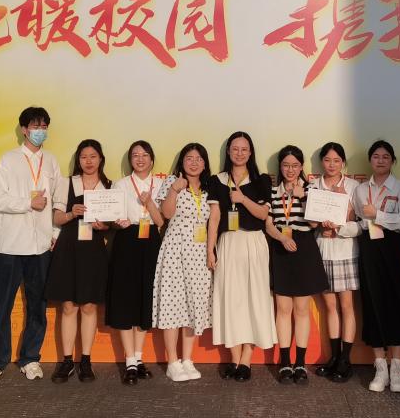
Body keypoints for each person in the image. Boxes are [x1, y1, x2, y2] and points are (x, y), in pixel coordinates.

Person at [0, 107, 62, 384]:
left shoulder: (51, 161)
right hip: (10, 245)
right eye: (35, 126)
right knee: (2, 305)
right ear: (24, 129)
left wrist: (55, 232)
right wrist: (29, 203)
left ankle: (30, 358)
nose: (40, 131)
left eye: (44, 126)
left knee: (37, 305)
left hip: (41, 246)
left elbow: (57, 199)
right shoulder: (8, 160)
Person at [351, 140, 400, 393]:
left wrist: (378, 215)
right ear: (370, 160)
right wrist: (344, 227)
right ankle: (380, 367)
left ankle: (396, 370)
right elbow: (360, 221)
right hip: (369, 250)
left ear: (393, 160)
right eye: (376, 156)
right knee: (373, 305)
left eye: (385, 157)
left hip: (394, 250)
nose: (380, 160)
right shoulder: (361, 190)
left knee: (396, 305)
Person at [208, 131, 276, 382]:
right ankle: (234, 358)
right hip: (228, 244)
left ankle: (247, 359)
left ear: (250, 152)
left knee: (253, 299)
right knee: (231, 299)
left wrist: (242, 199)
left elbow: (262, 214)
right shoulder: (217, 180)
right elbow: (214, 218)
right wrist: (210, 249)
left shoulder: (261, 180)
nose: (239, 153)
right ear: (228, 151)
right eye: (235, 149)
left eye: (244, 149)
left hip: (254, 243)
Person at [45, 139, 112, 383]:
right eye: (84, 157)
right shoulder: (67, 183)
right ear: (78, 160)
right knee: (69, 306)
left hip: (93, 251)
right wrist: (71, 213)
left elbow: (110, 224)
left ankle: (85, 360)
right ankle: (66, 361)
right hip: (68, 249)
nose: (89, 161)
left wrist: (103, 225)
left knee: (89, 307)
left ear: (101, 159)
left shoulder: (109, 187)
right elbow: (57, 218)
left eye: (93, 156)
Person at [151, 143, 218, 382]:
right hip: (175, 250)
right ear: (182, 161)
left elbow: (213, 220)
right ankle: (172, 362)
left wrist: (211, 252)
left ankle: (188, 359)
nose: (194, 162)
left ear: (205, 163)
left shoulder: (209, 187)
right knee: (172, 304)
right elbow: (166, 215)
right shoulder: (172, 181)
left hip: (199, 253)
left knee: (195, 304)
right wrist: (174, 190)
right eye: (189, 158)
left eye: (198, 158)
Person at [265, 145, 329, 384]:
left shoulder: (311, 189)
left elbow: (314, 224)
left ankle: (300, 363)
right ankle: (285, 363)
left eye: (294, 165)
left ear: (301, 167)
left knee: (301, 309)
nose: (290, 170)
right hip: (281, 247)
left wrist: (303, 197)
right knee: (283, 309)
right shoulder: (273, 191)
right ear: (280, 167)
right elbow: (268, 223)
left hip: (304, 249)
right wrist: (282, 238)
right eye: (286, 165)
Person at [107, 141, 164, 385]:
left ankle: (139, 358)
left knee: (145, 297)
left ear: (152, 159)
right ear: (130, 160)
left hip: (151, 241)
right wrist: (115, 222)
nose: (140, 159)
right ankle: (129, 360)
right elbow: (110, 216)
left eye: (145, 155)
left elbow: (161, 220)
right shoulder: (120, 185)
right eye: (135, 155)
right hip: (126, 240)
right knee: (125, 298)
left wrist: (150, 203)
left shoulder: (161, 184)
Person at [308, 142, 360, 382]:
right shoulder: (314, 187)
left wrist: (341, 224)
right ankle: (334, 356)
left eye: (336, 161)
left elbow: (360, 223)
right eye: (327, 160)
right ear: (322, 162)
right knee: (329, 307)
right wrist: (320, 224)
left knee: (347, 306)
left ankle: (345, 360)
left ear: (343, 163)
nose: (331, 165)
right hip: (323, 252)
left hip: (346, 252)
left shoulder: (353, 187)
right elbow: (310, 222)